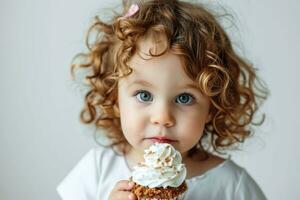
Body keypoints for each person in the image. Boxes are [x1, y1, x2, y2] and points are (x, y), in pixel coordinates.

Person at [57, 0, 269, 199]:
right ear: (115, 99)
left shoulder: (232, 185)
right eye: (144, 95)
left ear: (212, 107)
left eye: (184, 98)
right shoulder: (97, 170)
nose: (162, 117)